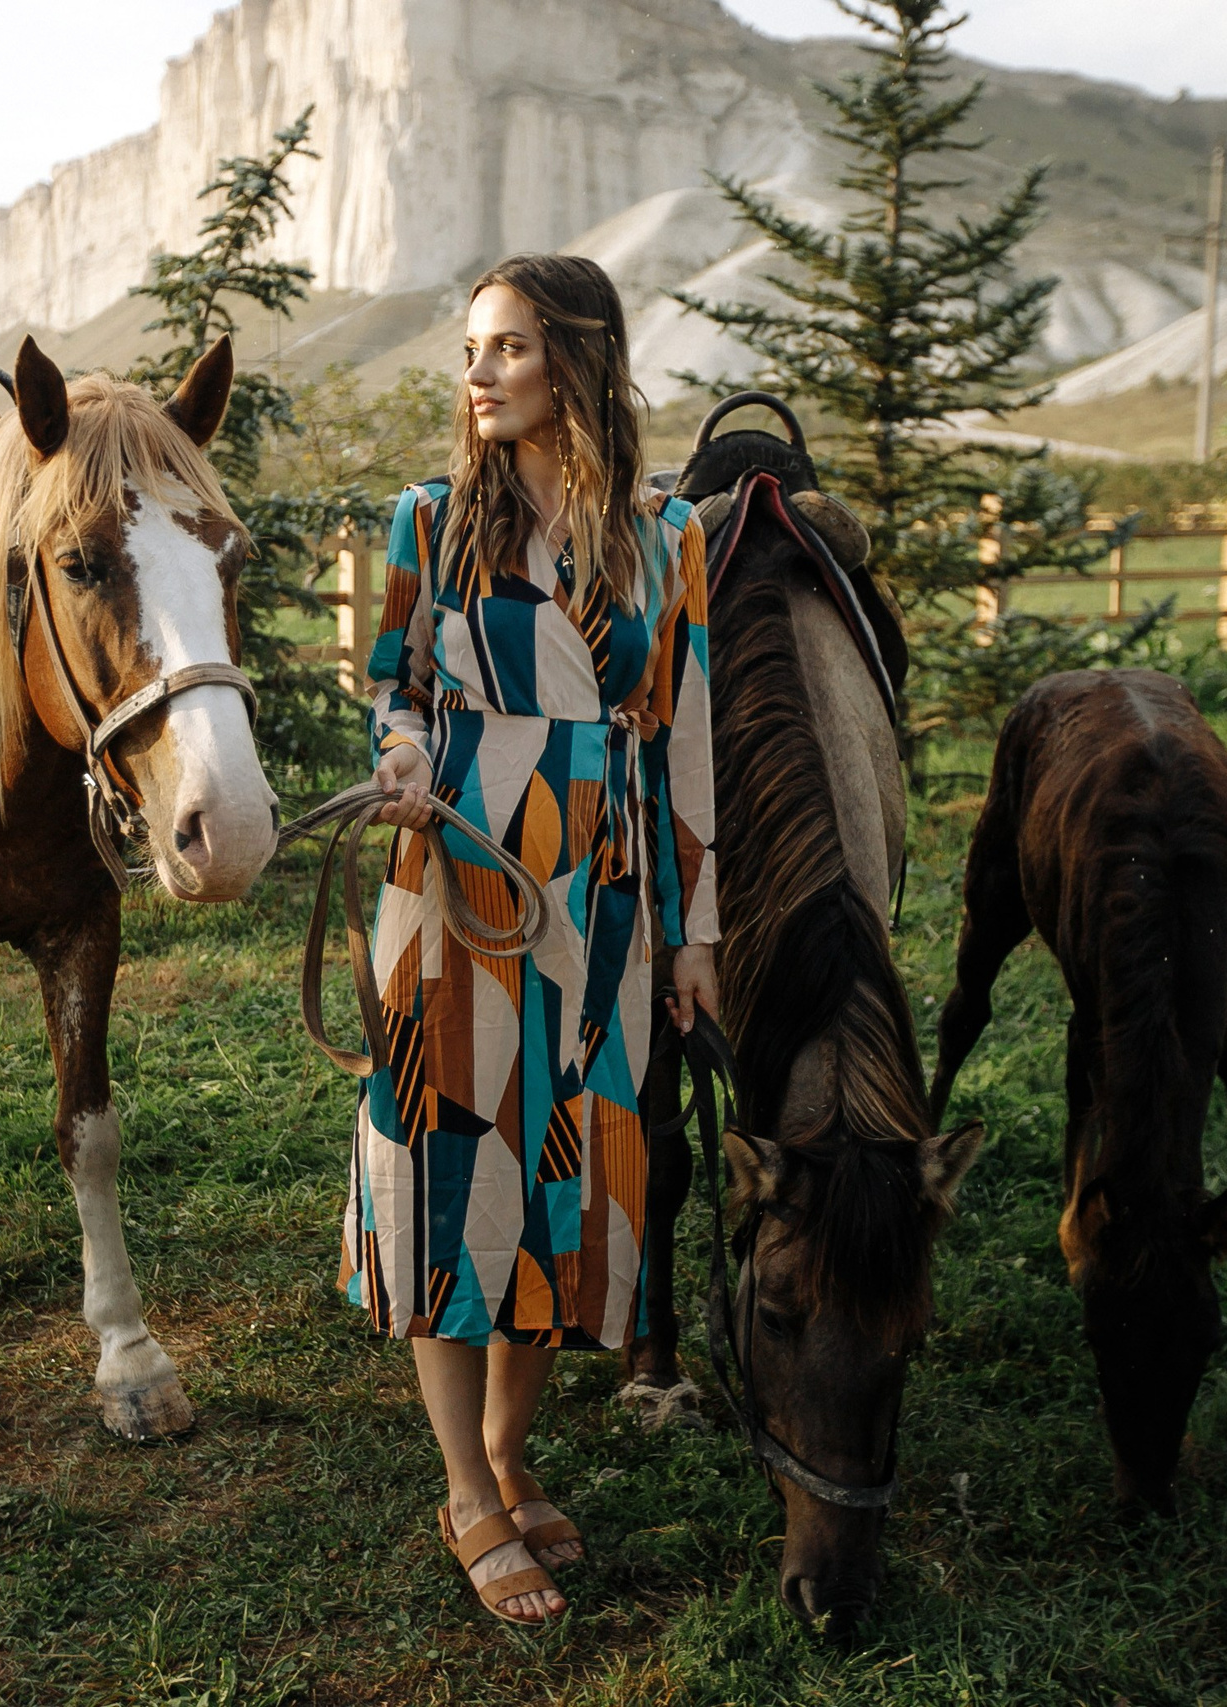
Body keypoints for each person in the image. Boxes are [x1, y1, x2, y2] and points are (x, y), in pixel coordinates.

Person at [344, 252, 719, 1626]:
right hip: (457, 866)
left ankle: (510, 1453)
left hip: (604, 887)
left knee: (569, 1171)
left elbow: (683, 739)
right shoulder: (430, 520)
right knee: (452, 1166)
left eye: (506, 346)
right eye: (471, 350)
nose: (478, 374)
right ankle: (465, 1490)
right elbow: (391, 689)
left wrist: (695, 933)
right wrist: (400, 755)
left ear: (579, 356)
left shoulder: (664, 534)